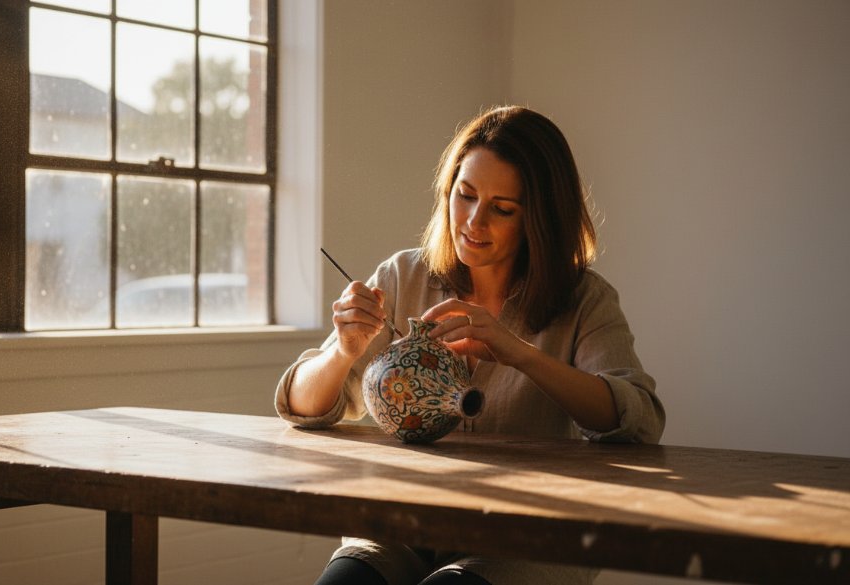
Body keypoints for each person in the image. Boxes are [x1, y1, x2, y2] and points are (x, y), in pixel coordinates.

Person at [274, 105, 666, 585]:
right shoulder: (403, 276)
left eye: (502, 209)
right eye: (465, 195)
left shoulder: (583, 299)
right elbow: (300, 405)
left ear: (540, 221)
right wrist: (343, 351)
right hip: (399, 525)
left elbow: (639, 420)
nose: (474, 222)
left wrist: (516, 351)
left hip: (534, 533)